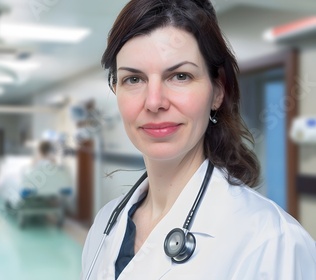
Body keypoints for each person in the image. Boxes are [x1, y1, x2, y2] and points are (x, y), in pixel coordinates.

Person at [81, 0, 316, 279]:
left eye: (180, 76)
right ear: (115, 89)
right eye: (134, 79)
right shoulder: (106, 224)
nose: (154, 102)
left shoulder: (272, 242)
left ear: (217, 91)